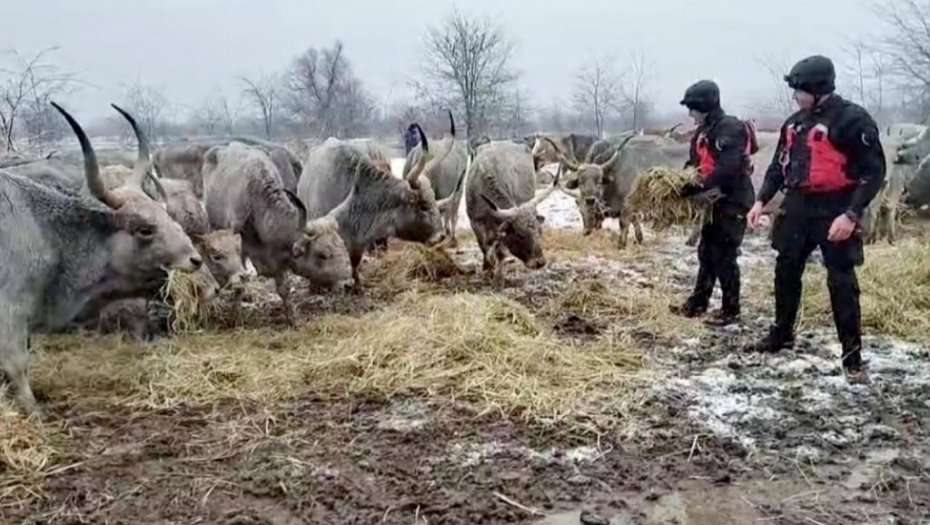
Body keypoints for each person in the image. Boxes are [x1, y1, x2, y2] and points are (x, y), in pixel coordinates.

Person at [746, 55, 885, 383]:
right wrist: (761, 200)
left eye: (799, 90)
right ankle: (782, 333)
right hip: (798, 205)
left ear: (817, 88)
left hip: (837, 206)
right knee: (785, 268)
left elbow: (874, 171)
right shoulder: (794, 123)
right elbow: (779, 167)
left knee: (841, 280)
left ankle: (852, 357)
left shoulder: (853, 120)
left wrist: (851, 215)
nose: (795, 96)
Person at [671, 80, 757, 327]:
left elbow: (727, 167)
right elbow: (694, 163)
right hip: (712, 202)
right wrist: (682, 180)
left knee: (724, 254)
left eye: (692, 109)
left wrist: (699, 186)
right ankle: (698, 302)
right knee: (706, 252)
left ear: (705, 106)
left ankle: (731, 309)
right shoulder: (702, 131)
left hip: (732, 200)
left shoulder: (729, 128)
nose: (690, 114)